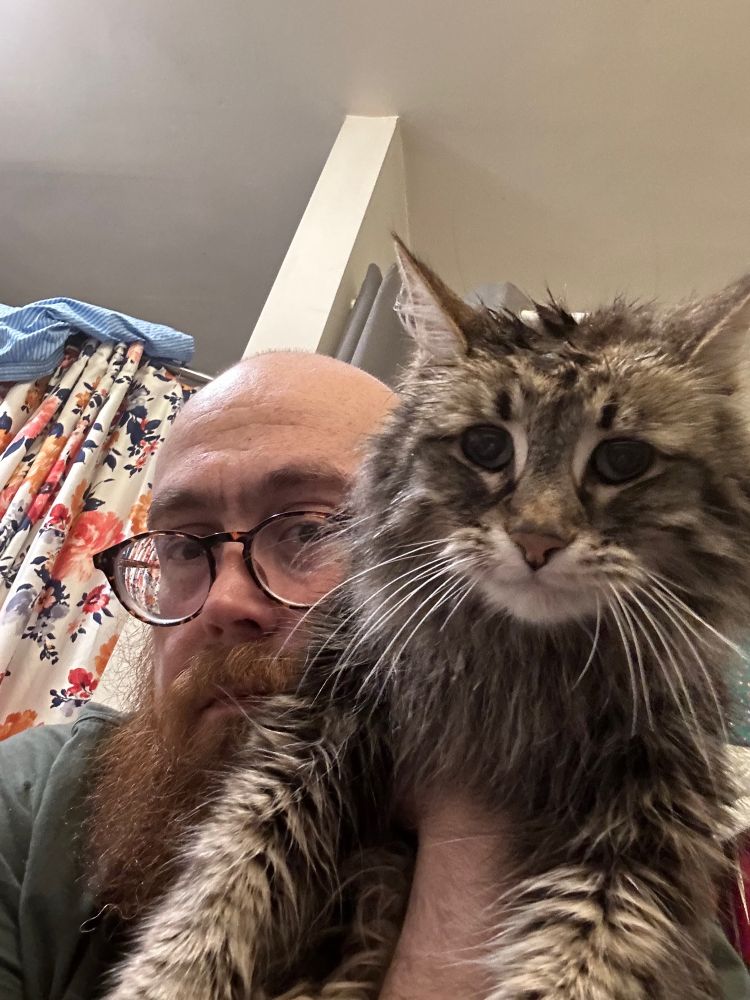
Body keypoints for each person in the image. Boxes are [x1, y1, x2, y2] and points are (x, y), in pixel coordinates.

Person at [0, 352, 748, 1000]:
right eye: (183, 547)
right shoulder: (24, 807)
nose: (226, 601)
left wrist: (474, 799)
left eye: (313, 529)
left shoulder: (651, 858)